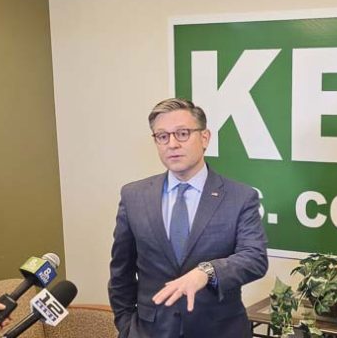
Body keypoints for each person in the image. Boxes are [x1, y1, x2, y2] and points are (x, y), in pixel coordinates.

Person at [108, 98, 268, 338]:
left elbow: (254, 258)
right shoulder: (134, 196)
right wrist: (126, 326)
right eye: (162, 136)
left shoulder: (240, 197)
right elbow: (121, 271)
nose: (172, 144)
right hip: (150, 331)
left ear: (204, 138)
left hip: (219, 330)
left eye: (182, 133)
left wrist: (207, 272)